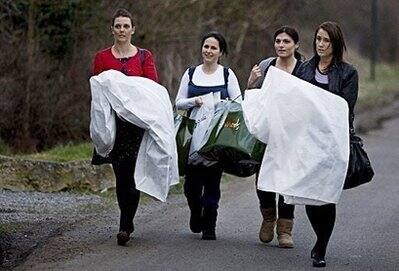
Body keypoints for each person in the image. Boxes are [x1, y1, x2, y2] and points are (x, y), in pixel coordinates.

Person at [91, 8, 158, 246]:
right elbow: (98, 92)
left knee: (131, 173)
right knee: (121, 174)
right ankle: (126, 220)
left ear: (133, 29)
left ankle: (125, 224)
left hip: (135, 125)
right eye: (118, 26)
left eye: (125, 26)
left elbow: (151, 89)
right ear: (112, 29)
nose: (122, 30)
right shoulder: (102, 57)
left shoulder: (144, 56)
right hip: (113, 124)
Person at [296, 21, 359, 267]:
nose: (321, 44)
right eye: (318, 39)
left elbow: (345, 107)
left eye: (326, 41)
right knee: (310, 195)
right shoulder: (304, 69)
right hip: (307, 141)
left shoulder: (348, 73)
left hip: (332, 142)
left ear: (335, 44)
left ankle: (321, 246)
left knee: (327, 195)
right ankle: (320, 238)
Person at [175, 31, 241, 240]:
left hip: (217, 139)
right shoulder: (191, 73)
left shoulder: (227, 75)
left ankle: (209, 224)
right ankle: (196, 212)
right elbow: (178, 102)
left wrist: (221, 106)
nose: (208, 51)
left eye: (213, 48)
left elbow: (238, 103)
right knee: (191, 186)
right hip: (193, 138)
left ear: (221, 52)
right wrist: (195, 102)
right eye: (206, 46)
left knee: (212, 183)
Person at [247, 26, 303, 248]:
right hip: (267, 133)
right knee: (263, 178)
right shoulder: (266, 65)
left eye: (286, 41)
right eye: (278, 41)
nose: (281, 45)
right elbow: (253, 100)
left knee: (288, 180)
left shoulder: (304, 69)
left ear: (296, 45)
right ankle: (268, 217)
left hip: (292, 134)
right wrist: (251, 82)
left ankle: (285, 229)